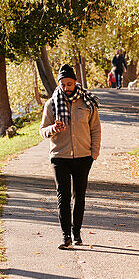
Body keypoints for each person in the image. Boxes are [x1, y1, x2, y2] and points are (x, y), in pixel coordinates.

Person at [40, 64, 101, 249]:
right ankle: (65, 236)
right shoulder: (52, 104)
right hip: (59, 156)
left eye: (69, 84)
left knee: (79, 196)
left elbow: (95, 129)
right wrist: (53, 129)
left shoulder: (87, 102)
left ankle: (76, 234)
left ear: (75, 82)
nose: (66, 88)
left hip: (83, 157)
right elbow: (42, 130)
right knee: (63, 196)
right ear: (59, 85)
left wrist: (94, 154)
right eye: (63, 85)